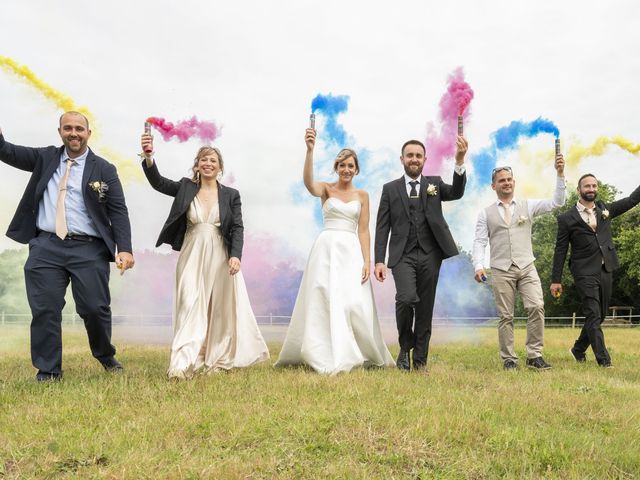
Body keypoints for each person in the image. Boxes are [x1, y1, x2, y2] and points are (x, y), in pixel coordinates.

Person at [0, 112, 135, 381]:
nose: (74, 133)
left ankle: (105, 354)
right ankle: (49, 371)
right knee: (45, 309)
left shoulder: (104, 169)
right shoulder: (45, 157)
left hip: (89, 248)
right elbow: (7, 152)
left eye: (79, 129)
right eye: (68, 128)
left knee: (95, 309)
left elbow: (118, 211)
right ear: (60, 131)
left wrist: (125, 248)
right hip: (46, 246)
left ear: (88, 133)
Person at [140, 133, 268, 379]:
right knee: (190, 302)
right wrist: (148, 157)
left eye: (213, 160)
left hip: (220, 255)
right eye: (203, 160)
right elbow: (158, 183)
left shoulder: (231, 195)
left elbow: (237, 227)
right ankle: (180, 364)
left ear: (220, 167)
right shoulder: (186, 187)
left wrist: (235, 256)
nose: (208, 163)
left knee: (218, 308)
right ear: (197, 165)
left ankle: (214, 355)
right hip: (192, 252)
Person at [275, 128, 394, 374]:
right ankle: (322, 350)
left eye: (351, 166)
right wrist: (310, 151)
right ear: (336, 167)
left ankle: (358, 349)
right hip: (326, 248)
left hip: (351, 250)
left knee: (352, 301)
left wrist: (367, 260)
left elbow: (363, 230)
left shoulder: (362, 195)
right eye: (342, 165)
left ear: (356, 169)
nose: (346, 170)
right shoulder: (326, 189)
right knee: (324, 296)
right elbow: (308, 184)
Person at [374, 137, 468, 372]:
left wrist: (459, 160)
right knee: (406, 299)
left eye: (418, 155)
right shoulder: (390, 189)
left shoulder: (434, 184)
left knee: (425, 308)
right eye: (410, 155)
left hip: (430, 255)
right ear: (402, 159)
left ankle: (420, 361)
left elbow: (456, 192)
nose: (414, 159)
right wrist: (379, 259)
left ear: (425, 159)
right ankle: (405, 349)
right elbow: (382, 227)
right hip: (402, 256)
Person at [472, 158, 566, 371]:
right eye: (501, 180)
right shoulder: (485, 213)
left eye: (509, 179)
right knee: (505, 316)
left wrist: (560, 175)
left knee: (536, 306)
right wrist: (478, 265)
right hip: (500, 268)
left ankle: (534, 355)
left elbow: (557, 202)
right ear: (493, 186)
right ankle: (509, 359)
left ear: (514, 182)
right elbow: (480, 241)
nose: (506, 183)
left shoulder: (528, 206)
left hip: (526, 266)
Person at [551, 174, 640, 368]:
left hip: (606, 267)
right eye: (587, 186)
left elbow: (632, 200)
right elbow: (560, 250)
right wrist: (556, 280)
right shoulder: (567, 219)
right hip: (583, 271)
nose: (591, 189)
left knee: (600, 315)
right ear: (579, 190)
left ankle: (578, 349)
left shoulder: (605, 209)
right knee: (592, 313)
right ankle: (604, 360)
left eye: (594, 185)